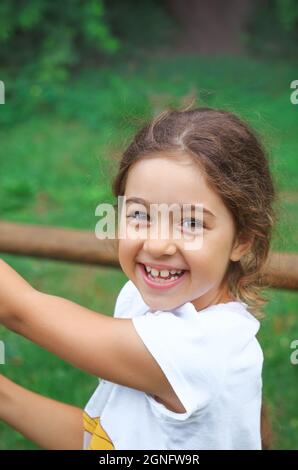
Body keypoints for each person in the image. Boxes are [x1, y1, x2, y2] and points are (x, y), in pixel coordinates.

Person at [0, 107, 276, 450]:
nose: (158, 244)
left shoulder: (208, 348)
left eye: (191, 223)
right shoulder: (140, 299)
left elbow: (19, 311)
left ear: (242, 239)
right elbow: (104, 442)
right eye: (140, 215)